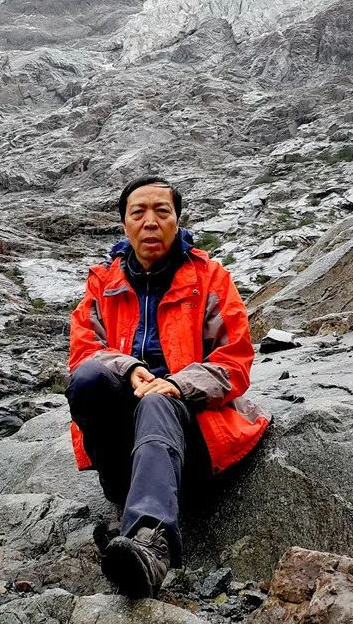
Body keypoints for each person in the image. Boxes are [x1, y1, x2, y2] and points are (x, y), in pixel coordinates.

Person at [66, 176, 271, 598]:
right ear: (124, 224)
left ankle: (150, 542)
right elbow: (84, 352)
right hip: (123, 448)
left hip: (193, 432)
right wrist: (128, 370)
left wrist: (176, 384)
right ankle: (126, 490)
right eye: (138, 213)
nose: (150, 222)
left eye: (162, 211)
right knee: (87, 379)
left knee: (157, 404)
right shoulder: (103, 283)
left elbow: (234, 360)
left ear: (177, 220)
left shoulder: (210, 278)